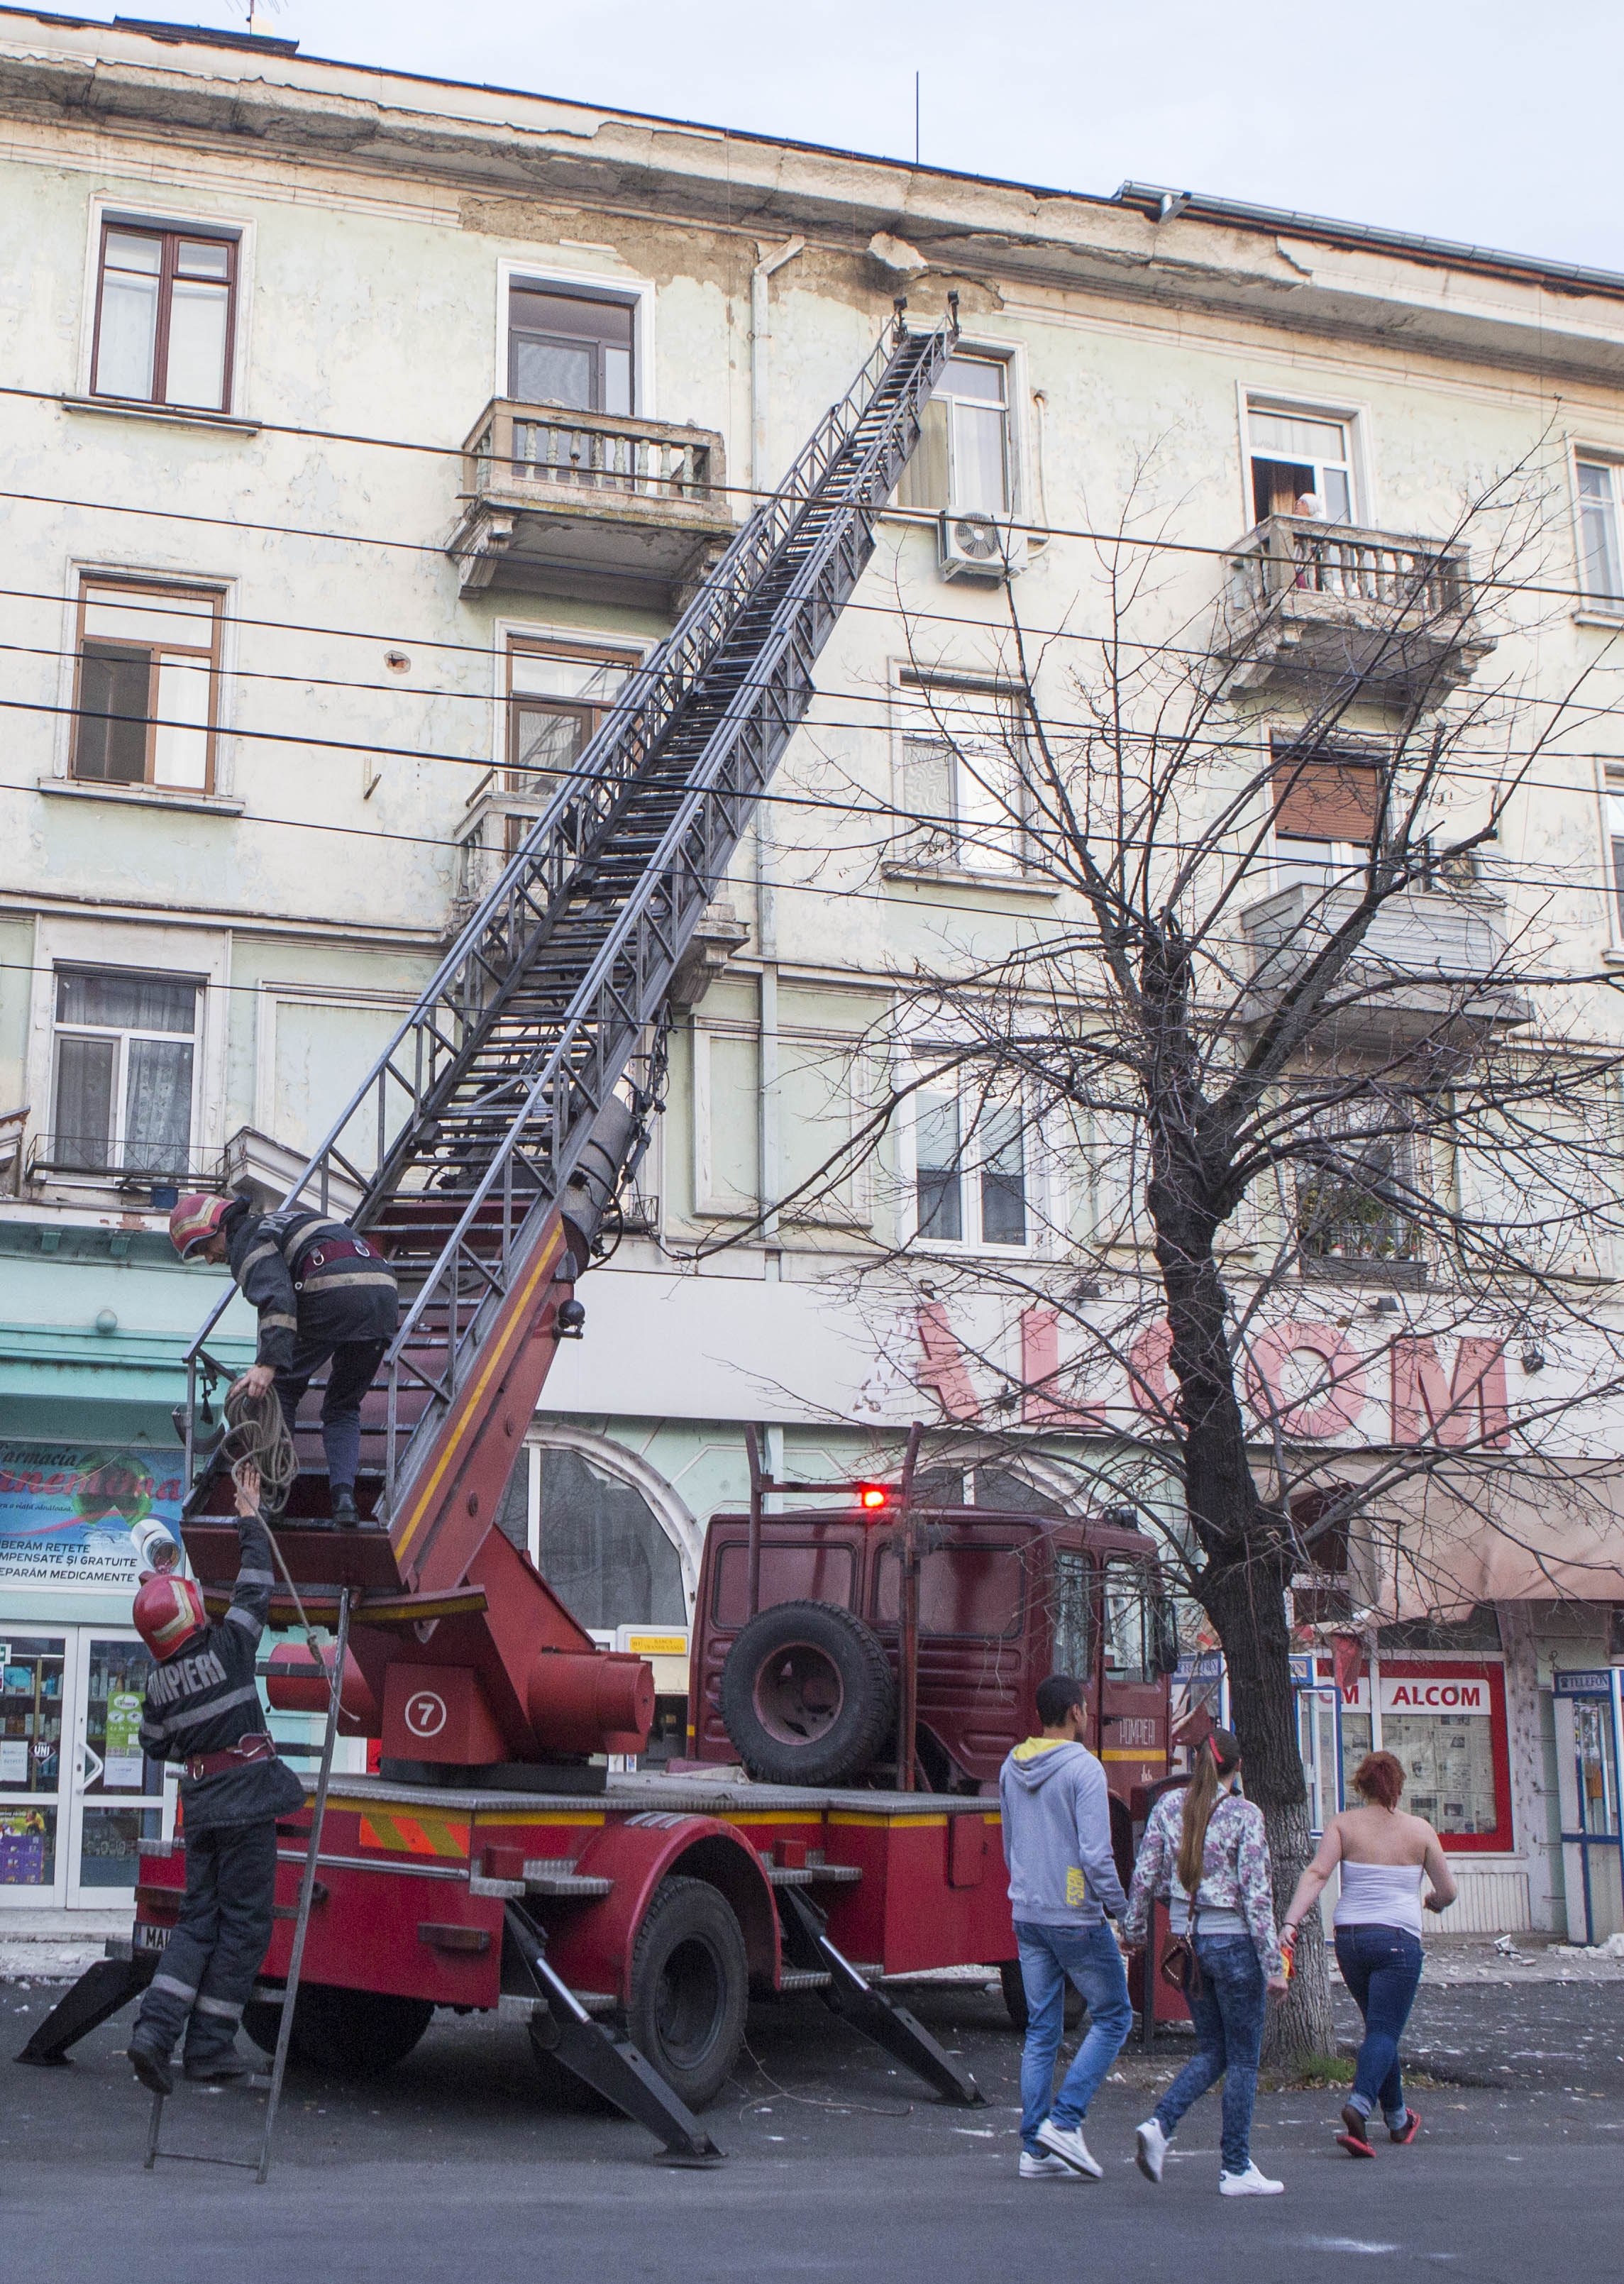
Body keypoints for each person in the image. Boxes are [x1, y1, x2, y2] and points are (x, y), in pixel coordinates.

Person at [126, 1463, 306, 2093]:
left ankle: (153, 2033)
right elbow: (256, 1587)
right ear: (191, 1609)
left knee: (198, 1921)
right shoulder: (228, 1647)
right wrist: (251, 1517)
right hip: (248, 1802)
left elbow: (154, 1743)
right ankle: (209, 2046)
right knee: (245, 1924)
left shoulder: (156, 1682)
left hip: (202, 1808)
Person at [1123, 1729, 1288, 2197]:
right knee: (1240, 2056)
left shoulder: (1168, 1808)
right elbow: (1256, 1895)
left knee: (1212, 2050)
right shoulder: (1244, 1814)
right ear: (1235, 1769)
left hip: (1188, 1943)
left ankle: (1160, 2125)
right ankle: (1235, 2166)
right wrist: (1272, 1964)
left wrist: (1134, 1932)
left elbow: (1144, 1875)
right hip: (1235, 1943)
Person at [170, 1191, 397, 1525]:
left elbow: (277, 1299)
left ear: (219, 1227)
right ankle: (345, 1501)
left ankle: (272, 1496)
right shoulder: (279, 1223)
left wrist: (266, 1366)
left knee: (280, 1392)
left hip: (332, 1292)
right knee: (343, 1406)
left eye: (205, 1247)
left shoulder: (247, 1241)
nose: (208, 1258)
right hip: (383, 1297)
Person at [1280, 1748, 1457, 2156]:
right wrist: (1433, 1903)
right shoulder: (1420, 1831)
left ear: (1362, 1786)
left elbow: (1318, 1873)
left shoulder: (1343, 1824)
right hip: (1398, 1940)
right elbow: (1447, 1891)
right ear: (1397, 1788)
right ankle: (1359, 2105)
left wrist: (1290, 1923)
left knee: (1379, 2028)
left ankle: (1397, 2119)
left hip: (1352, 1940)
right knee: (1383, 2032)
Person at [998, 1672, 1134, 2182]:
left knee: (1041, 2029)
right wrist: (1121, 1910)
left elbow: (1012, 1841)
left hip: (1027, 1912)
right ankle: (1065, 2120)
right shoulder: (1085, 1769)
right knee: (1114, 2015)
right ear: (1076, 1711)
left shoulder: (1012, 1766)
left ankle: (1035, 2148)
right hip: (1074, 1916)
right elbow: (1097, 1856)